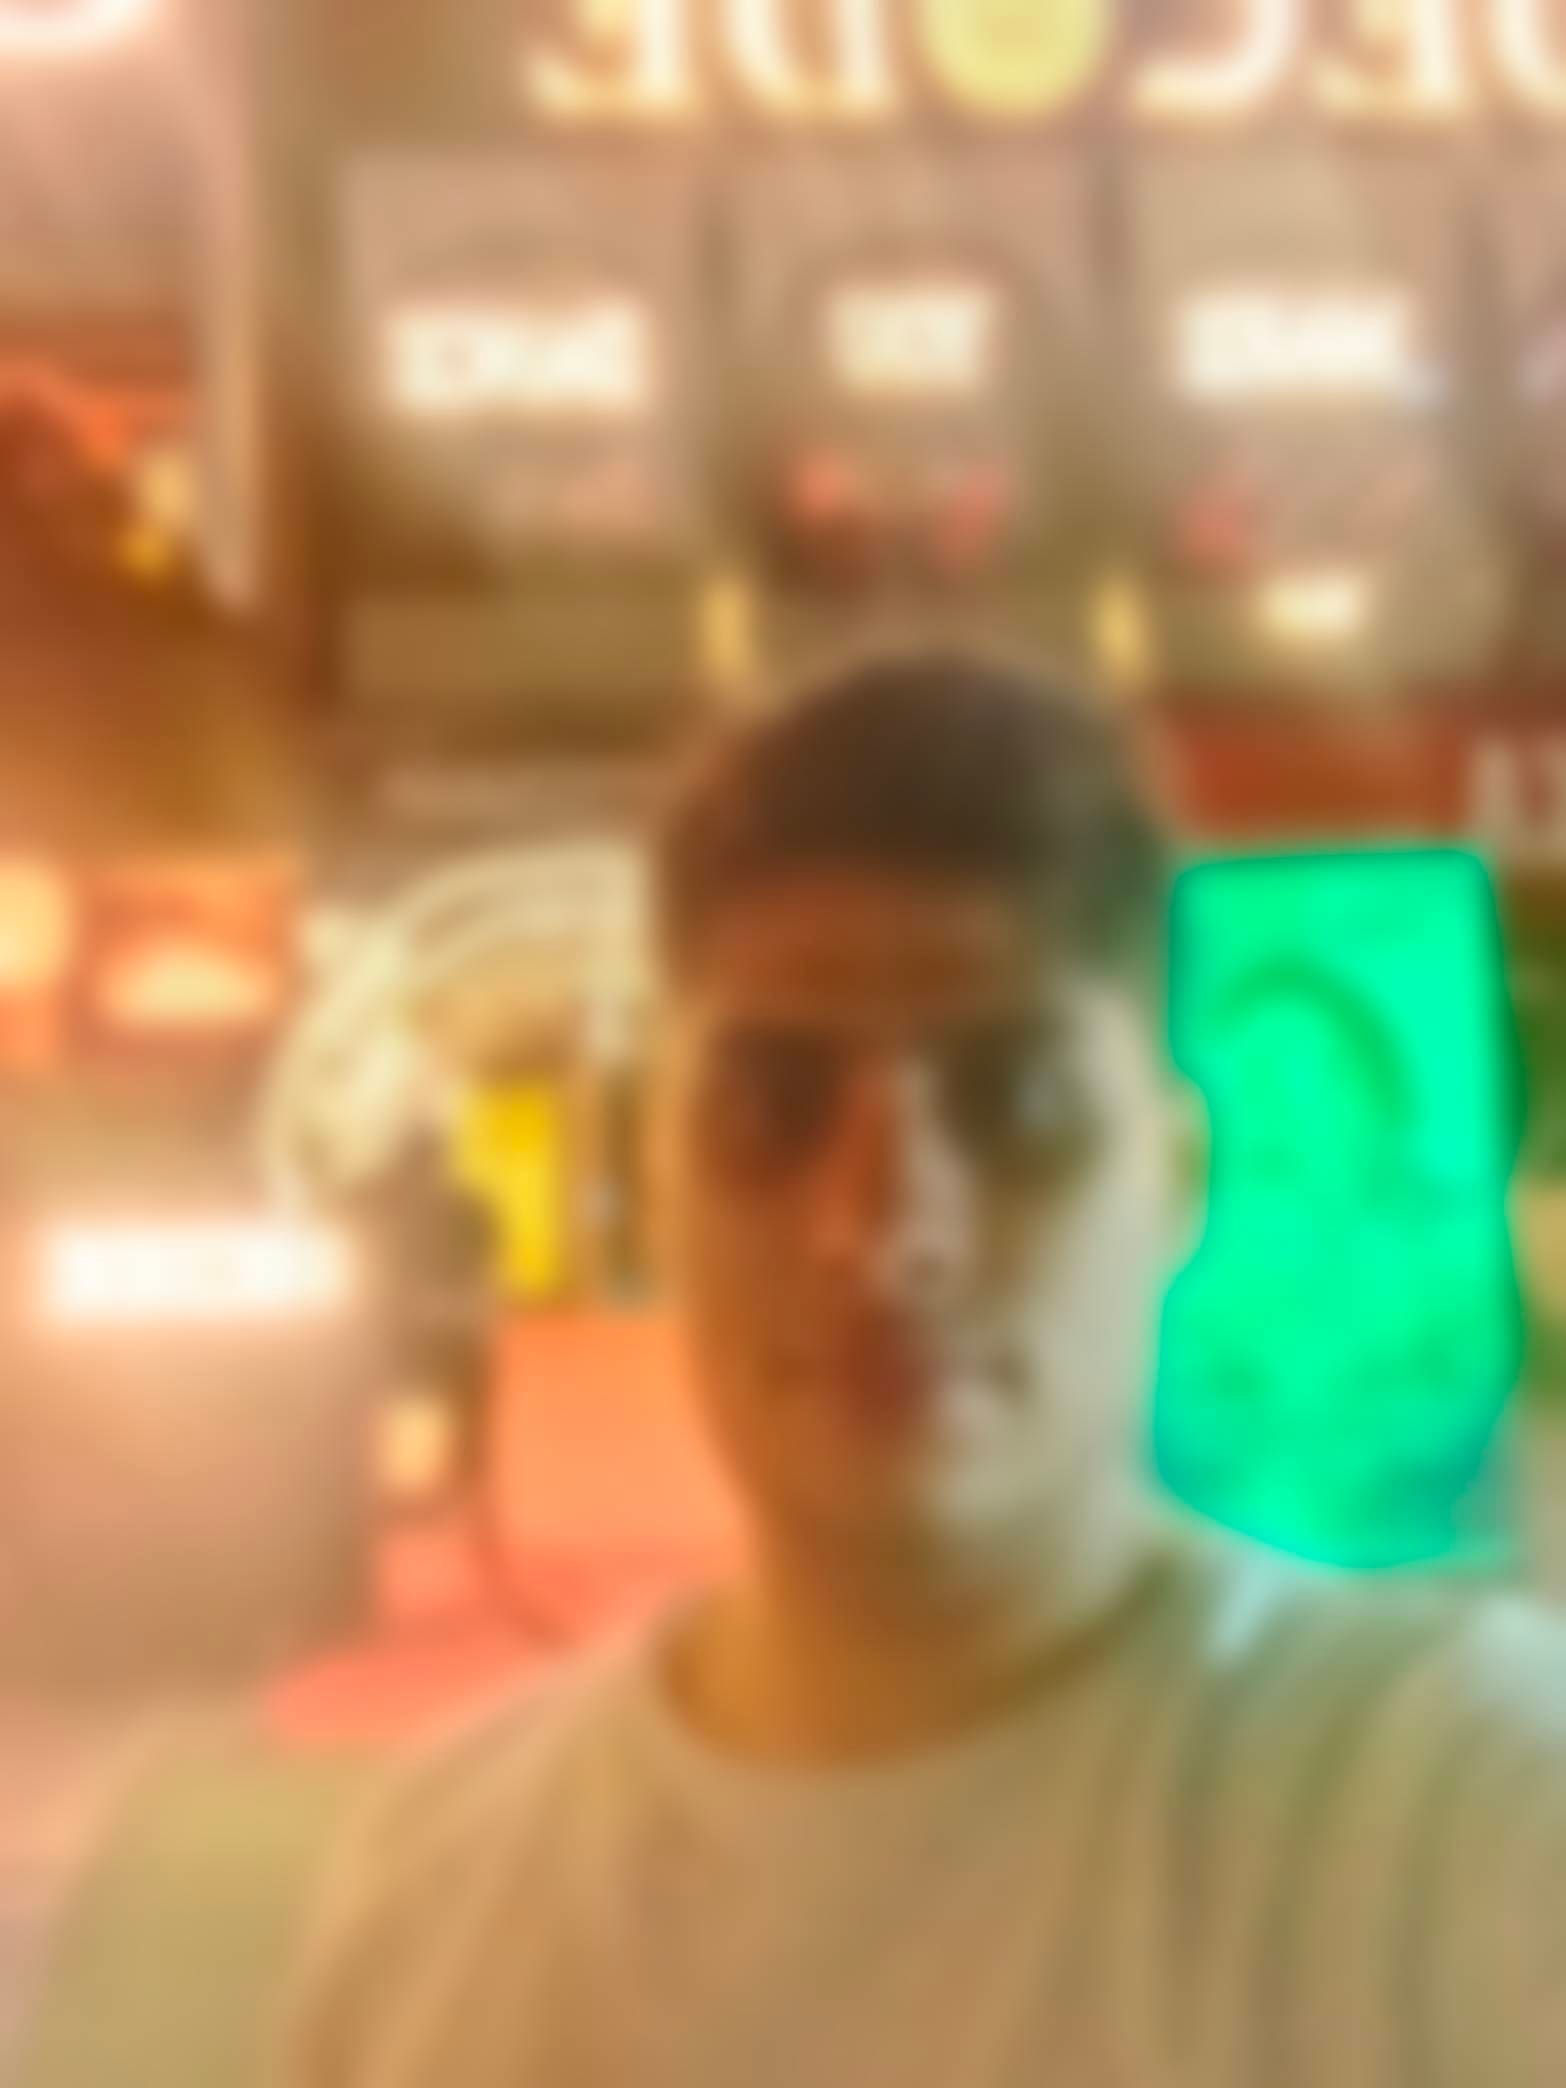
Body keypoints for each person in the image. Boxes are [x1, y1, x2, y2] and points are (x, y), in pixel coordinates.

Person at [283, 648, 1566, 2088]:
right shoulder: (436, 1899)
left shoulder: (1454, 1826)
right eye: (773, 1107)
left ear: (1178, 1180)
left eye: (1016, 1106)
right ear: (653, 1187)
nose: (887, 1232)